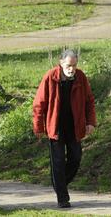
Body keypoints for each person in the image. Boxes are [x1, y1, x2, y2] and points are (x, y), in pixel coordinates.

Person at [32, 48, 96, 209]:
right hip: (56, 127)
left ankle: (58, 182)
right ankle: (63, 198)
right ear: (61, 63)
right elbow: (39, 104)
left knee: (76, 158)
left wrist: (90, 122)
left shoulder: (80, 77)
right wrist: (38, 126)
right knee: (58, 162)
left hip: (75, 127)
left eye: (74, 65)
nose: (71, 69)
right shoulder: (50, 77)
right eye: (68, 65)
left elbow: (89, 101)